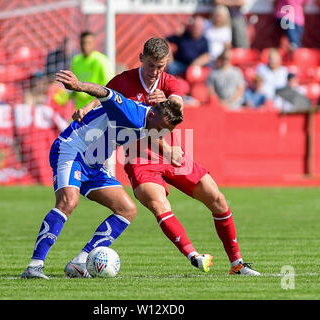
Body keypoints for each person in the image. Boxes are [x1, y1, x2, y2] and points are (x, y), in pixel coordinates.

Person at [70, 38, 260, 277]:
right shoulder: (124, 81)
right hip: (140, 161)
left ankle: (237, 264)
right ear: (141, 59)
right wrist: (86, 108)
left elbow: (178, 107)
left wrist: (167, 103)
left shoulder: (169, 82)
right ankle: (193, 255)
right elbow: (104, 97)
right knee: (160, 205)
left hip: (171, 154)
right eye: (151, 65)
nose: (155, 72)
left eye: (161, 66)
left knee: (218, 199)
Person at [21, 69, 183, 279]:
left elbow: (152, 134)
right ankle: (34, 266)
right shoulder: (131, 112)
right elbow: (104, 91)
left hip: (94, 163)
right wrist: (78, 86)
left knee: (127, 210)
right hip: (72, 149)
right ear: (152, 115)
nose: (161, 134)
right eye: (160, 129)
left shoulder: (152, 122)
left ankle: (79, 263)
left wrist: (169, 151)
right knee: (68, 202)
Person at [71, 31, 114, 110]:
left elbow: (110, 84)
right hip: (80, 109)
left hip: (97, 108)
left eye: (89, 43)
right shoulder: (76, 61)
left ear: (94, 43)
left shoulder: (101, 60)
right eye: (83, 43)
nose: (85, 46)